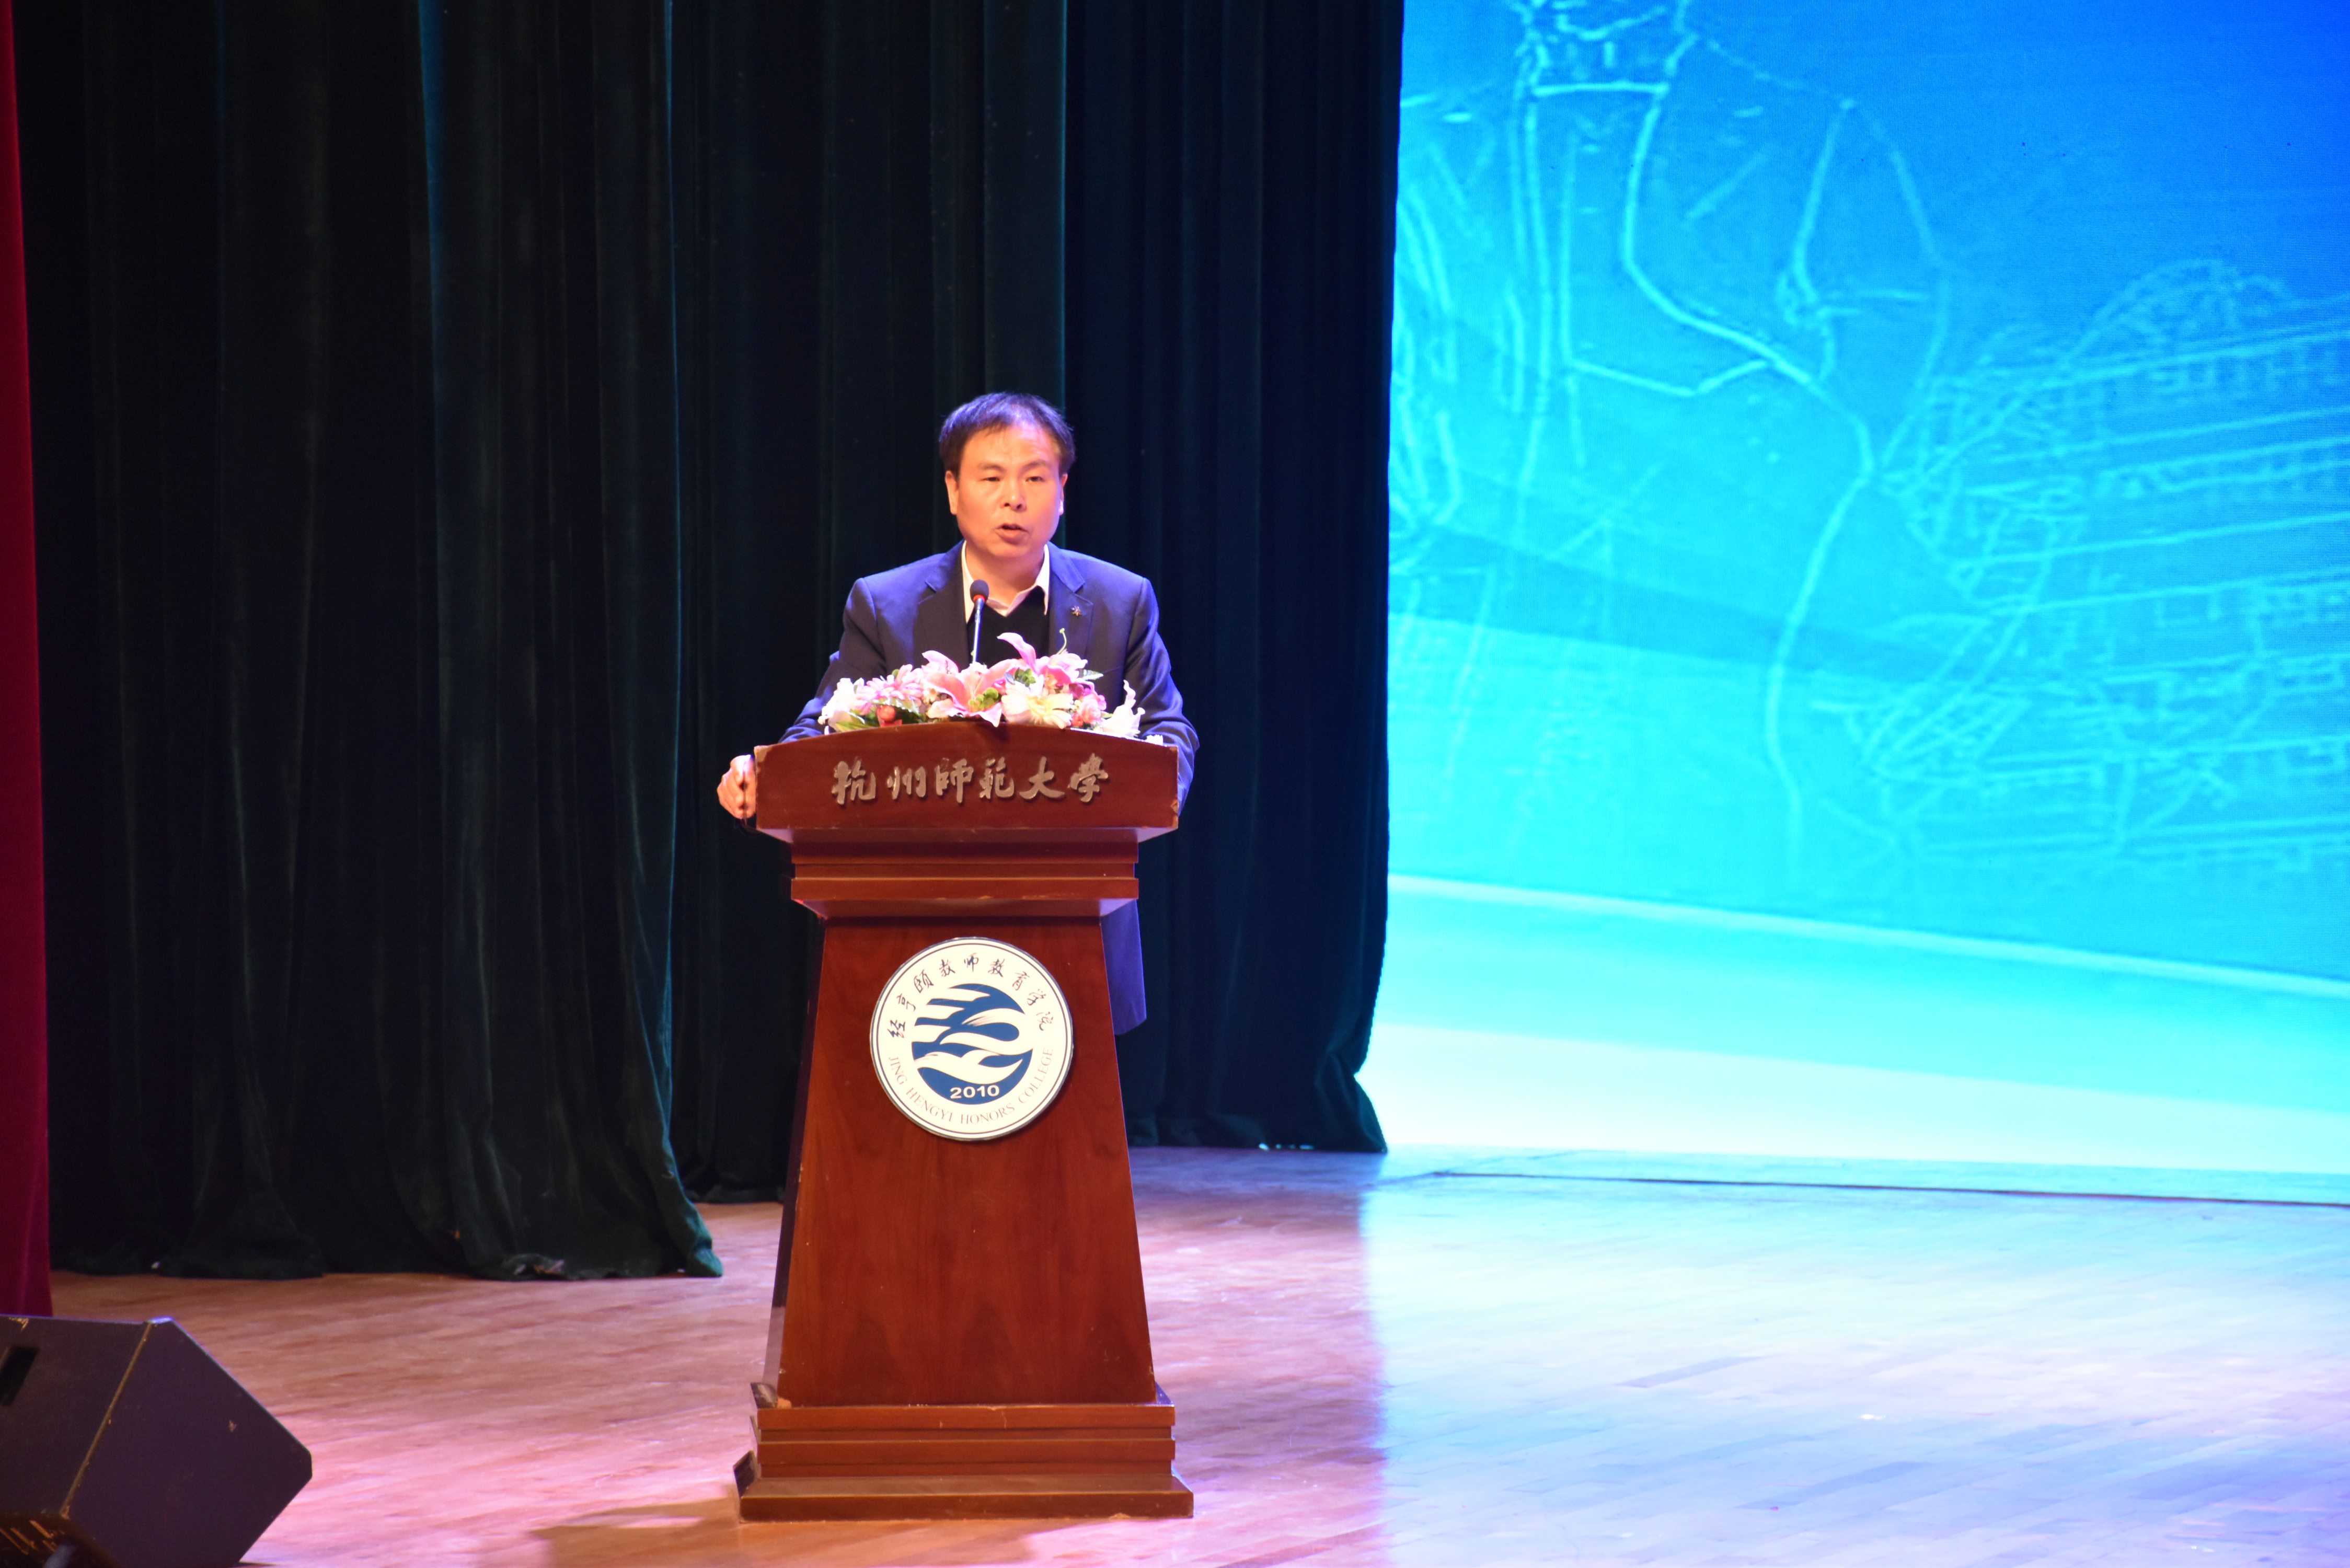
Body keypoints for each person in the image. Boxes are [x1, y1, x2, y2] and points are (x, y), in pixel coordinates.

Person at [716, 391, 1197, 1034]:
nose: (1013, 499)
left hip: (1074, 914)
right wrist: (763, 777)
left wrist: (1146, 790)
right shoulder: (885, 604)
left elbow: (1169, 731)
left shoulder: (1121, 600)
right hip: (911, 915)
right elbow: (824, 727)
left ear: (1062, 491)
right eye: (991, 478)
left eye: (1035, 478)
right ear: (952, 489)